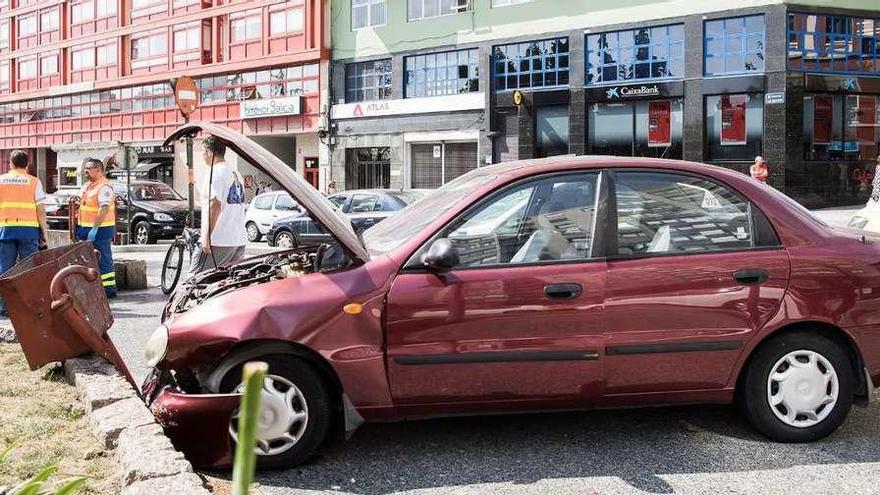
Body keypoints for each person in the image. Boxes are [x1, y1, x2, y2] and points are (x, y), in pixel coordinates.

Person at [189, 135, 248, 276]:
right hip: (238, 239)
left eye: (203, 151)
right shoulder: (236, 173)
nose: (203, 156)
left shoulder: (214, 172)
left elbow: (215, 204)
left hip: (219, 240)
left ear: (209, 152)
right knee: (226, 283)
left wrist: (207, 237)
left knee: (195, 280)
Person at [0, 150, 50, 316]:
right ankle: (33, 305)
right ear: (27, 164)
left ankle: (4, 307)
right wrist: (45, 233)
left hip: (5, 230)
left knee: (5, 268)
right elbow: (41, 210)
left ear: (11, 164)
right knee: (30, 269)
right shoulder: (34, 181)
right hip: (28, 230)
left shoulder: (1, 181)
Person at [76, 157, 117, 298]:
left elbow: (104, 209)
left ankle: (108, 289)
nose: (85, 171)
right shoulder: (89, 186)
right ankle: (93, 287)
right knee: (87, 259)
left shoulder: (104, 187)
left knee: (104, 259)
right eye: (85, 169)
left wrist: (94, 228)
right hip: (86, 228)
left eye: (88, 169)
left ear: (99, 170)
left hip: (100, 229)